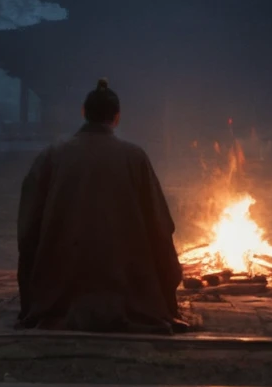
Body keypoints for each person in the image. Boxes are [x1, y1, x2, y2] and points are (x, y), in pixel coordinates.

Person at [17, 78, 184, 334]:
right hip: (127, 286)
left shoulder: (53, 156)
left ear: (84, 113)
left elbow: (28, 225)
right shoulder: (134, 157)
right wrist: (166, 284)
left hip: (61, 287)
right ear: (116, 117)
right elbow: (159, 225)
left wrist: (33, 290)